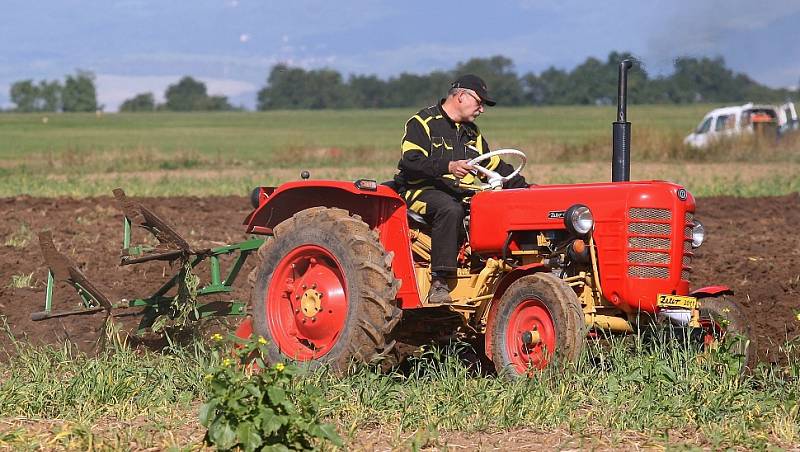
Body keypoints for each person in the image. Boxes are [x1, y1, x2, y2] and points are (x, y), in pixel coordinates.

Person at [394, 74, 527, 304]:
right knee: (450, 209)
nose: (482, 109)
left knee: (490, 207)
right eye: (480, 102)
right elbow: (410, 162)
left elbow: (492, 165)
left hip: (458, 192)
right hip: (419, 190)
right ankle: (440, 281)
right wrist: (447, 166)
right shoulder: (422, 122)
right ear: (462, 97)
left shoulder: (472, 133)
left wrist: (525, 188)